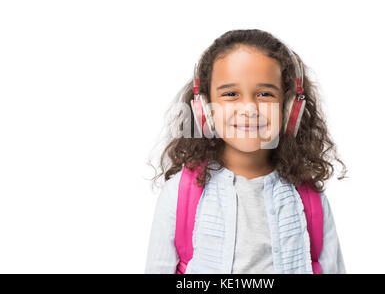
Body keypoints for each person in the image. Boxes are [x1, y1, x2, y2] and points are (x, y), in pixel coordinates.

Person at [145, 29, 347, 274]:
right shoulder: (180, 193)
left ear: (290, 109)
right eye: (230, 94)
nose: (249, 108)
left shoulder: (311, 199)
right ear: (204, 109)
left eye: (265, 94)